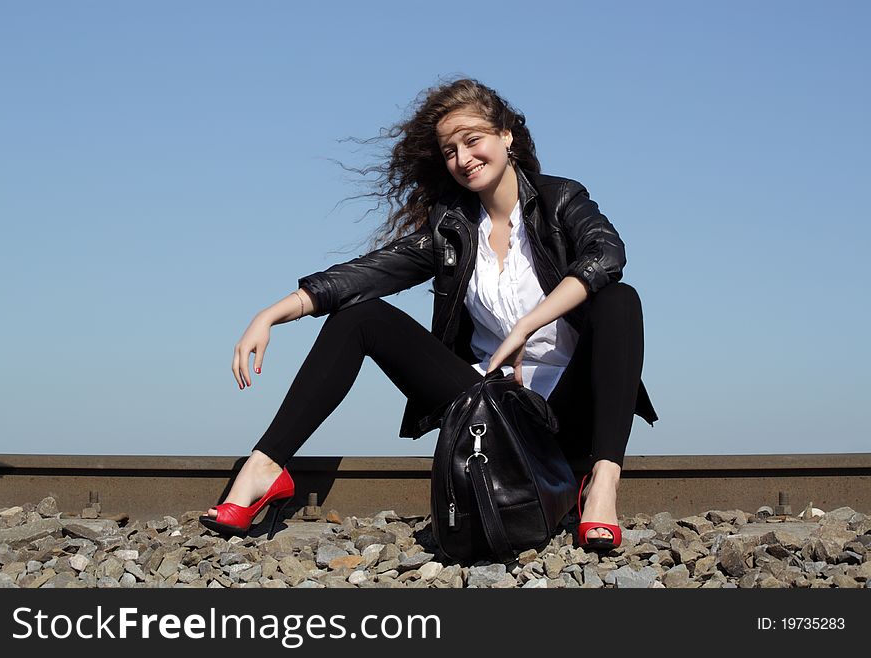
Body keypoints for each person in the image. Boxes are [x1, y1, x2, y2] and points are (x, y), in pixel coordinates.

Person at [199, 77, 658, 550]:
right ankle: (266, 467)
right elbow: (366, 275)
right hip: (489, 407)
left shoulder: (561, 199)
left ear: (507, 136)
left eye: (473, 140)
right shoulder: (452, 228)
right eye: (450, 150)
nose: (463, 159)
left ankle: (602, 483)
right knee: (361, 316)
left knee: (620, 299)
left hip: (566, 409)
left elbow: (607, 255)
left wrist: (528, 323)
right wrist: (272, 313)